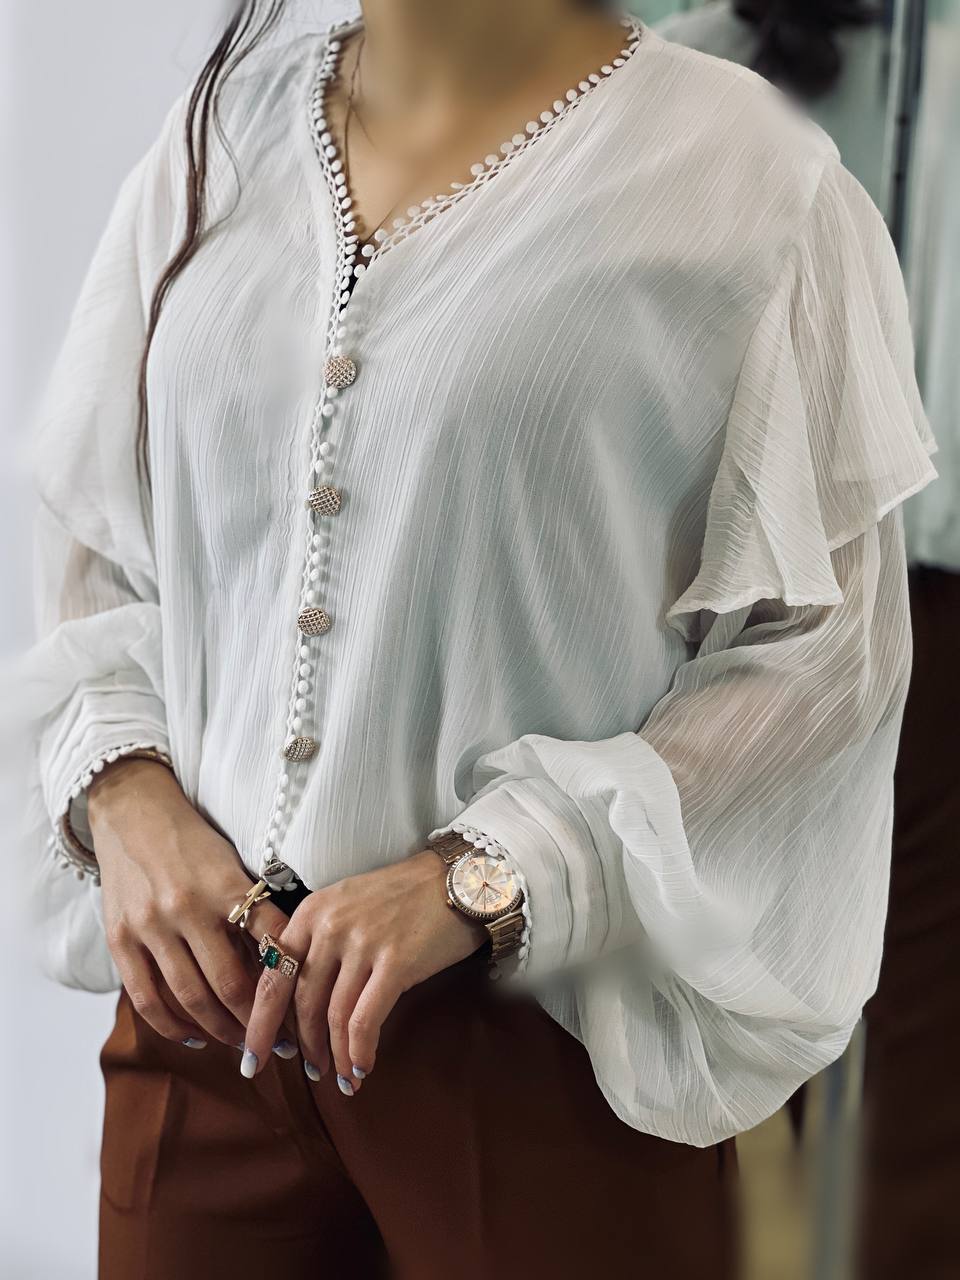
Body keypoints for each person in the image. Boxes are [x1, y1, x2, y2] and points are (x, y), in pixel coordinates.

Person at [21, 1, 937, 1276]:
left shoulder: (757, 187)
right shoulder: (215, 134)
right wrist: (125, 792)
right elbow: (101, 538)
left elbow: (825, 662)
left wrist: (491, 871)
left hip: (537, 1048)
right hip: (203, 1030)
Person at [656, 4, 960, 1275]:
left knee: (926, 1102)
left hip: (937, 597)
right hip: (740, 597)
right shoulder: (692, 53)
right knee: (678, 1043)